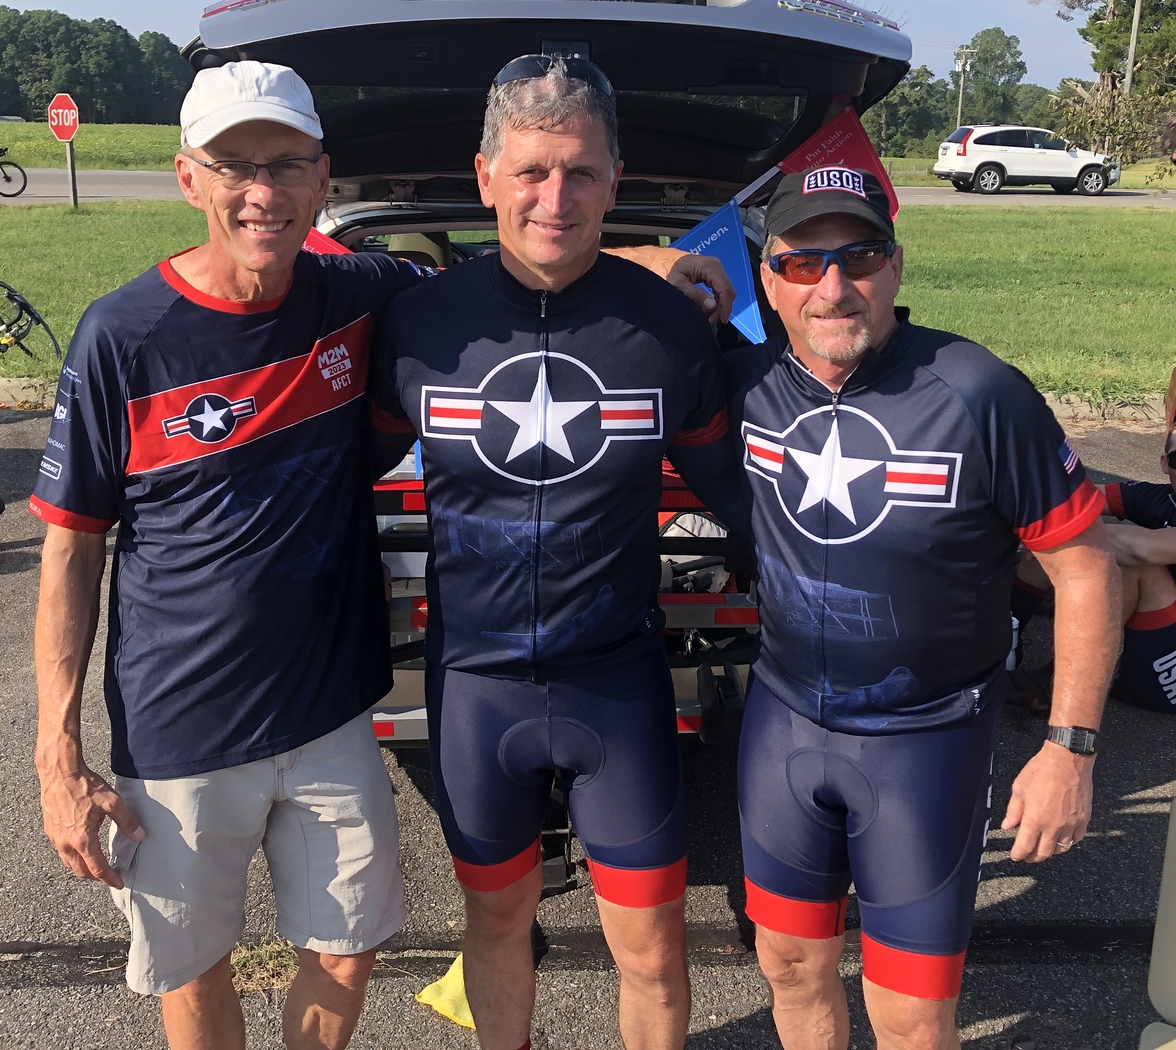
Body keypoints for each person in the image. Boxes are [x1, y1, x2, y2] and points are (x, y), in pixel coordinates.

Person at [30, 60, 733, 1050]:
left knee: (372, 950)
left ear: (322, 180)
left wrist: (648, 260)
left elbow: (537, 268)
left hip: (383, 706)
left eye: (286, 166)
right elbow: (69, 548)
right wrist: (55, 751)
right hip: (209, 714)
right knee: (206, 970)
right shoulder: (144, 333)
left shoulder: (376, 297)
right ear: (188, 177)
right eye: (234, 166)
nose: (262, 192)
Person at [372, 54, 749, 1050]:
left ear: (615, 180)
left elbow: (743, 494)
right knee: (496, 924)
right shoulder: (420, 322)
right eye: (532, 170)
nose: (555, 196)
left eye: (581, 172)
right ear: (485, 175)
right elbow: (328, 466)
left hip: (615, 685)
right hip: (474, 686)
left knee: (653, 949)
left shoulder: (669, 330)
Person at [724, 167, 1120, 1050]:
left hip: (926, 742)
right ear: (769, 282)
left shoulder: (977, 390)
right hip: (784, 724)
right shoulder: (745, 384)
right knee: (788, 964)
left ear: (897, 267)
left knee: (909, 1016)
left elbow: (1087, 567)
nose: (834, 287)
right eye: (803, 263)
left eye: (860, 257)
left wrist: (1071, 749)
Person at [1014, 421, 1176, 713]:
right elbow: (1076, 500)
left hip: (1167, 680)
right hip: (1142, 649)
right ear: (1165, 464)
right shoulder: (1158, 497)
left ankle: (1057, 686)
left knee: (1121, 558)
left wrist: (1046, 533)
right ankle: (1002, 643)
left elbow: (1142, 549)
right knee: (1058, 529)